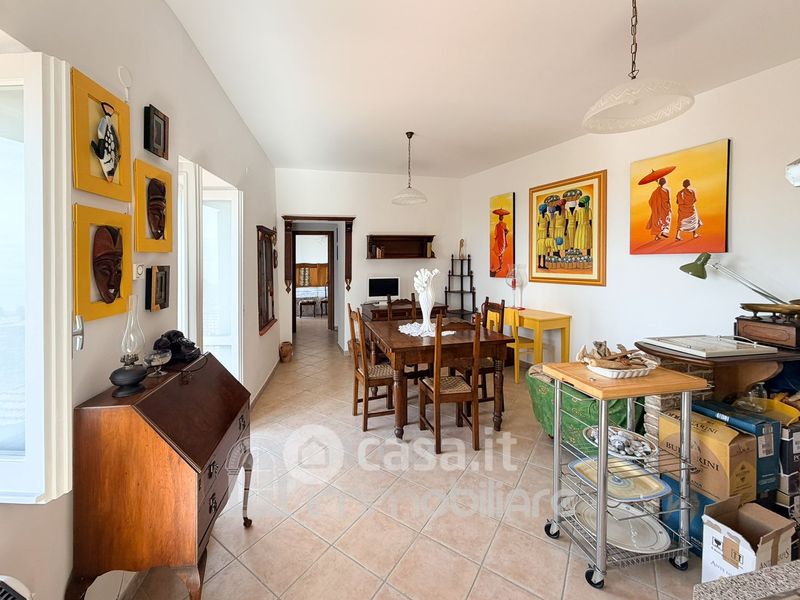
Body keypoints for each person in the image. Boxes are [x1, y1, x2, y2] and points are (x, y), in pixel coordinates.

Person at [490, 208, 509, 276]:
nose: (501, 218)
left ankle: (500, 264)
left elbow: (495, 233)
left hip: (500, 239)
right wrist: (505, 233)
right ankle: (500, 264)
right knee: (501, 252)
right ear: (502, 218)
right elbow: (507, 231)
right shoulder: (504, 224)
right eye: (501, 217)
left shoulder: (498, 225)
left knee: (500, 252)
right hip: (502, 239)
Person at [536, 204, 550, 269]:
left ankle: (543, 264)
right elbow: (548, 224)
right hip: (542, 232)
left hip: (542, 232)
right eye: (545, 208)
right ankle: (540, 264)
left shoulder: (545, 216)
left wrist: (546, 231)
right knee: (541, 248)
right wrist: (547, 231)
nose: (546, 209)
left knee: (543, 249)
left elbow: (539, 223)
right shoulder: (543, 216)